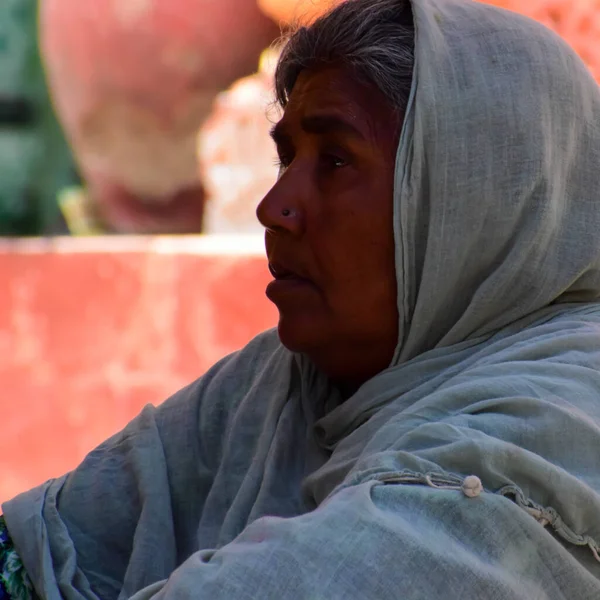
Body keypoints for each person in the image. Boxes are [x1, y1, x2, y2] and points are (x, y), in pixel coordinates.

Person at [3, 0, 600, 597]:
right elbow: (51, 546)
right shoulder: (285, 383)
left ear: (470, 204)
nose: (274, 208)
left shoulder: (543, 436)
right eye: (286, 157)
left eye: (335, 161)